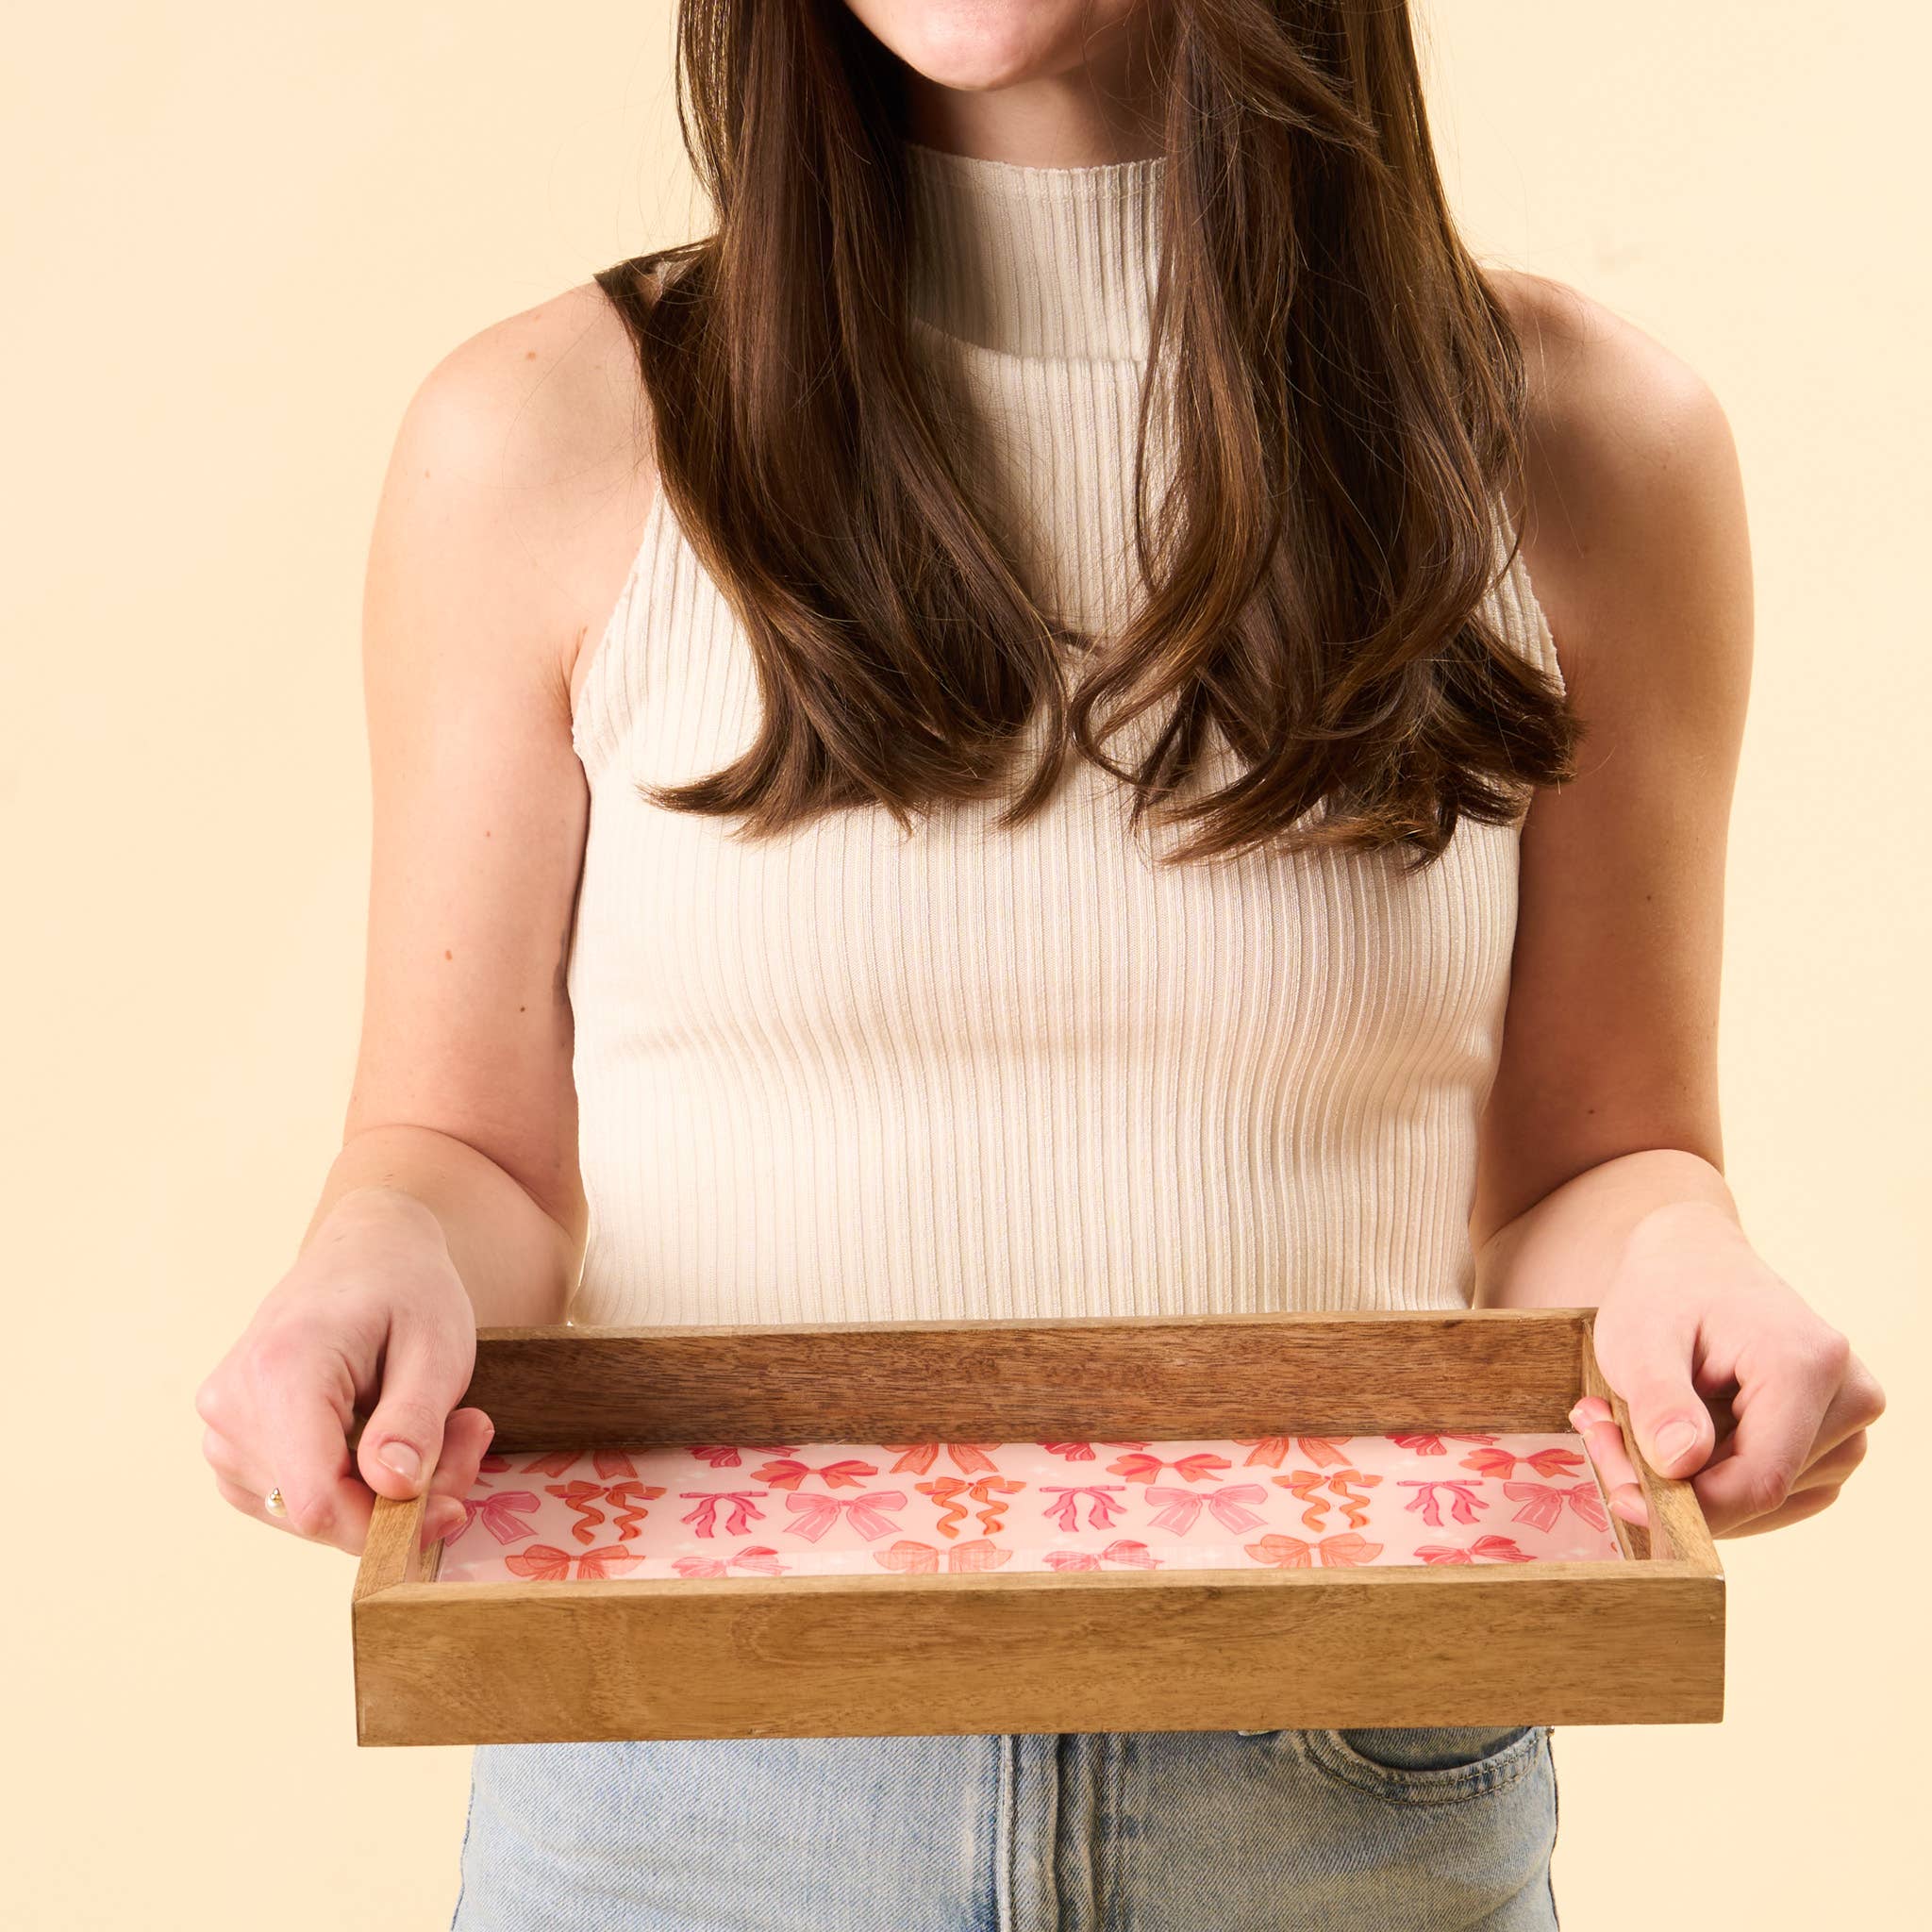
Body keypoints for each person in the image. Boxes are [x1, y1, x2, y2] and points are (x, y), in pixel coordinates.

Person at [194, 3, 1885, 1925]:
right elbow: (460, 1153)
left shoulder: (1582, 444)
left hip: (1334, 1784)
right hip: (690, 1797)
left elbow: (1602, 1163)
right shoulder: (541, 435)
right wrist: (371, 1264)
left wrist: (1686, 1271)